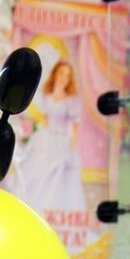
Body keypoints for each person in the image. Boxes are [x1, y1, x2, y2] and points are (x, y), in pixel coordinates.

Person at [20, 59, 86, 216]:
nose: (64, 78)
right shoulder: (47, 96)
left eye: (67, 75)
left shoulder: (70, 101)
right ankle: (40, 209)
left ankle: (56, 211)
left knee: (57, 176)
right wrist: (35, 132)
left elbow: (76, 127)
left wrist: (72, 147)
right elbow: (46, 120)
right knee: (40, 173)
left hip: (61, 141)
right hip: (46, 138)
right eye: (62, 73)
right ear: (55, 74)